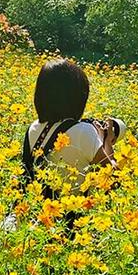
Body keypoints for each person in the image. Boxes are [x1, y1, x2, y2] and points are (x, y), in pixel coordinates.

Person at [22, 59, 118, 194]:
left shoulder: (33, 128)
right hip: (76, 213)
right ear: (77, 96)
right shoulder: (83, 132)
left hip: (38, 211)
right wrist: (106, 142)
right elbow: (113, 179)